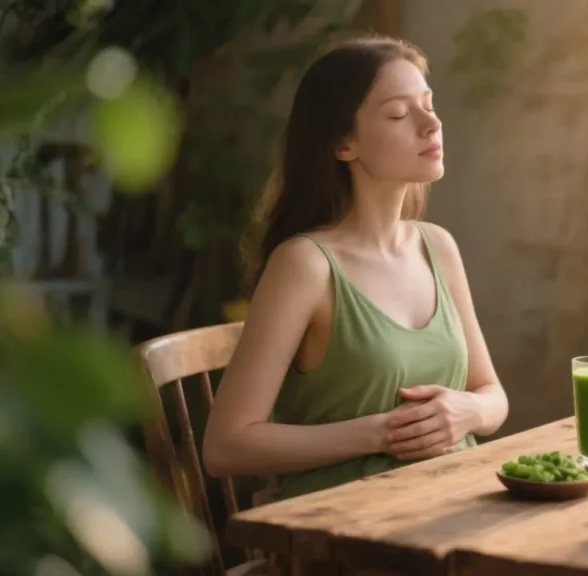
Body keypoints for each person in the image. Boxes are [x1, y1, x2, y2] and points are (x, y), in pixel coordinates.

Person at [202, 34, 509, 500]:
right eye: (399, 114)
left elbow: (492, 394)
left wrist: (468, 411)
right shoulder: (305, 264)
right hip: (342, 523)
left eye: (428, 105)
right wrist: (381, 434)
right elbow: (226, 446)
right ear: (344, 144)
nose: (432, 124)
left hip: (453, 506)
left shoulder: (437, 246)